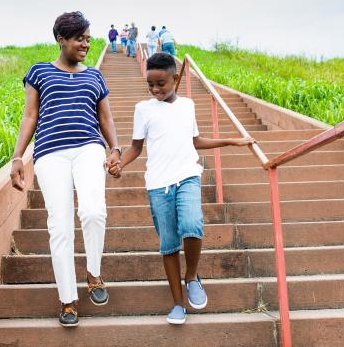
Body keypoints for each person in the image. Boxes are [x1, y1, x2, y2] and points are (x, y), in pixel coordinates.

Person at [108, 53, 254, 324]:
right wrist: (120, 164)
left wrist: (231, 141)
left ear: (175, 78)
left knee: (192, 224)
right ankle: (178, 303)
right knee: (169, 244)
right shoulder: (143, 109)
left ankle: (192, 276)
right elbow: (136, 148)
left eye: (160, 83)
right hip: (158, 184)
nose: (155, 90)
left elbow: (195, 141)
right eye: (150, 85)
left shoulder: (187, 105)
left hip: (187, 175)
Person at [10, 11, 123, 327]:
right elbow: (30, 116)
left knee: (93, 212)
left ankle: (94, 273)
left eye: (88, 39)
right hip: (50, 153)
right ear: (61, 39)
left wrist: (115, 148)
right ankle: (68, 300)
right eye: (79, 39)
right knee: (59, 226)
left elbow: (106, 118)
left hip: (89, 147)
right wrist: (17, 157)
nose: (85, 44)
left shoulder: (95, 76)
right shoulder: (40, 72)